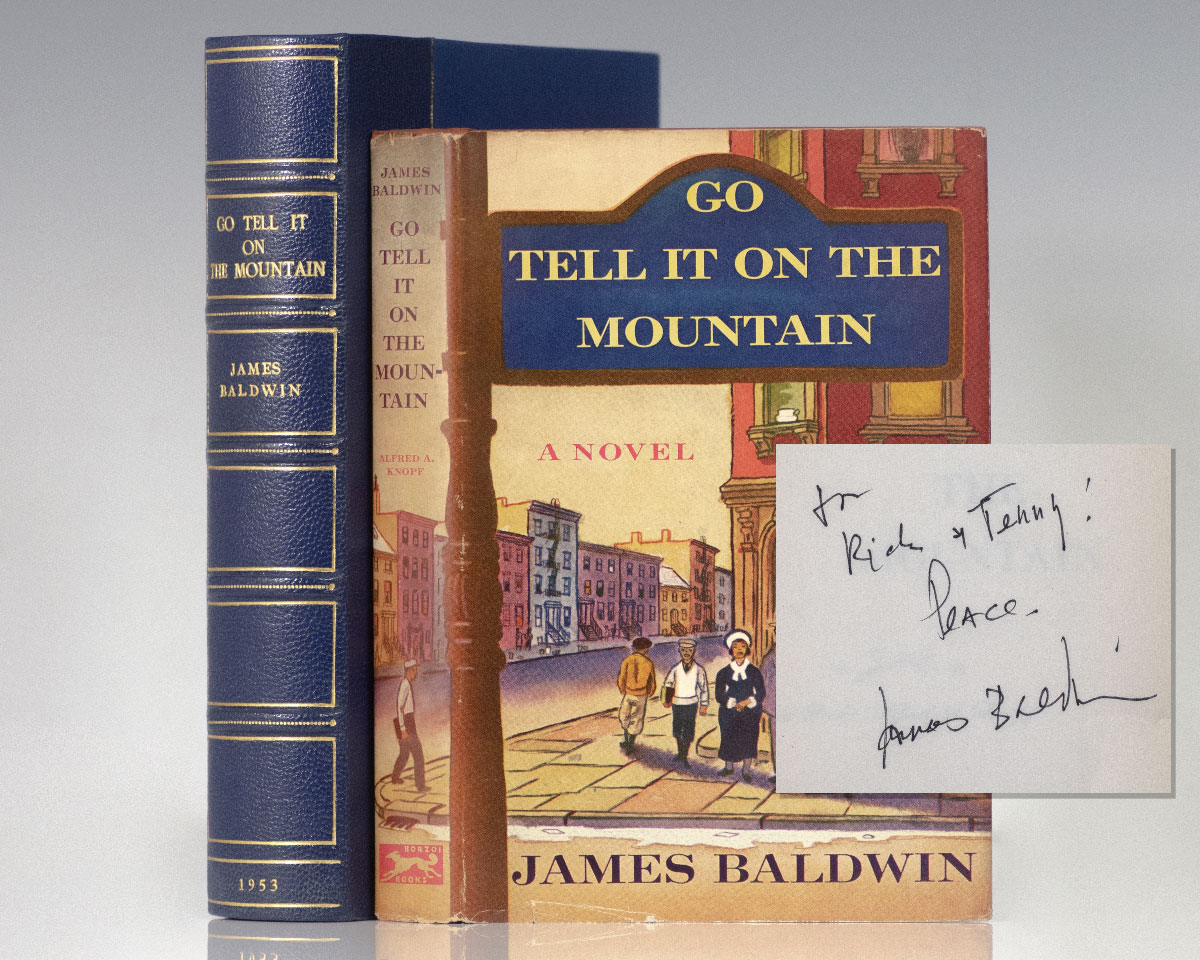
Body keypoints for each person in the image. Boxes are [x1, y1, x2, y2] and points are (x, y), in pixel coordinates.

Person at [715, 629, 766, 782]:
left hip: (749, 712)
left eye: (742, 646)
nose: (739, 650)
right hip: (729, 711)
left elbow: (761, 692)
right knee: (728, 737)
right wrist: (731, 703)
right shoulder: (723, 672)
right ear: (731, 650)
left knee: (748, 739)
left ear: (747, 649)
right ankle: (728, 767)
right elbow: (719, 694)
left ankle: (746, 770)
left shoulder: (754, 671)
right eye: (735, 646)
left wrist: (747, 702)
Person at [662, 637, 709, 767]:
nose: (686, 653)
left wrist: (704, 704)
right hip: (677, 703)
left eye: (689, 650)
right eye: (684, 650)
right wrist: (666, 699)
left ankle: (684, 755)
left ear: (694, 651)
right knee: (677, 729)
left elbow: (704, 688)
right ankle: (680, 753)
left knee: (688, 730)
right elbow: (668, 684)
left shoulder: (699, 669)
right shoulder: (675, 669)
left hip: (691, 703)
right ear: (680, 651)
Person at [391, 658, 427, 791]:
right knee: (418, 756)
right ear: (408, 671)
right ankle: (420, 785)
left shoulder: (406, 684)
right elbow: (400, 707)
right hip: (407, 724)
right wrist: (403, 728)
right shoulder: (405, 685)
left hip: (407, 722)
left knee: (404, 754)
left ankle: (395, 777)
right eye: (414, 670)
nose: (416, 673)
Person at [617, 636, 656, 754]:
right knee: (637, 719)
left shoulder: (627, 660)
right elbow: (651, 681)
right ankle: (630, 743)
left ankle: (626, 740)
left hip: (628, 693)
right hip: (641, 694)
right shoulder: (648, 662)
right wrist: (650, 691)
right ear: (645, 649)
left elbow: (621, 677)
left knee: (625, 717)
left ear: (634, 648)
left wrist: (623, 690)